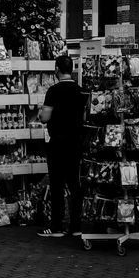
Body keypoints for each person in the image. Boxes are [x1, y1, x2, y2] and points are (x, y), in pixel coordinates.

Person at [38, 54, 86, 238]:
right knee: (75, 184)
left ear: (57, 69)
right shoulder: (81, 91)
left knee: (57, 184)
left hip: (57, 142)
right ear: (72, 69)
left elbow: (45, 117)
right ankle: (76, 226)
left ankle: (56, 226)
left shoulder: (53, 91)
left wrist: (41, 113)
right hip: (76, 143)